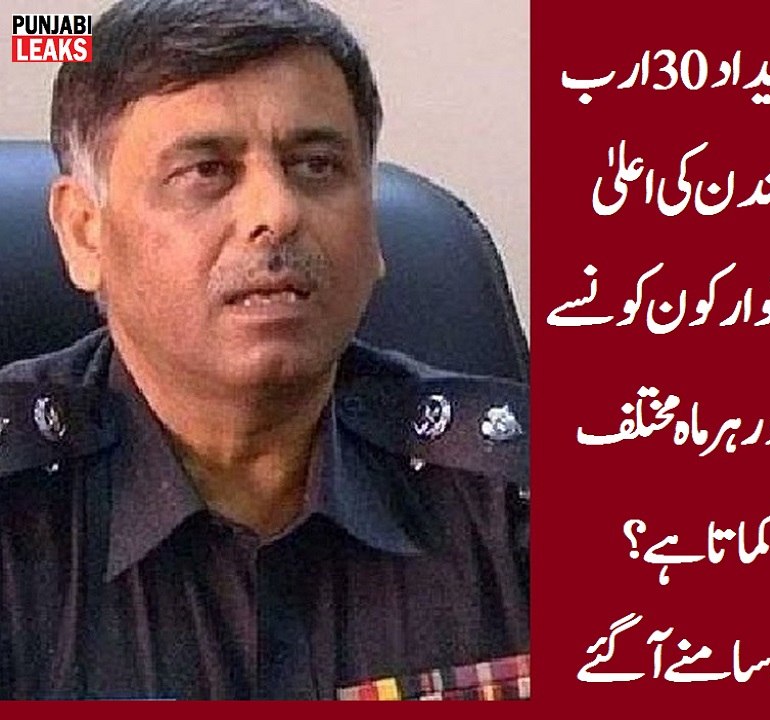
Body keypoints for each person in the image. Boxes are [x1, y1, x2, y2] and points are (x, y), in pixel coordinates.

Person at [0, 0, 529, 700]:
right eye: (206, 171)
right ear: (84, 232)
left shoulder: (511, 492)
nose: (277, 213)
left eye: (316, 165)